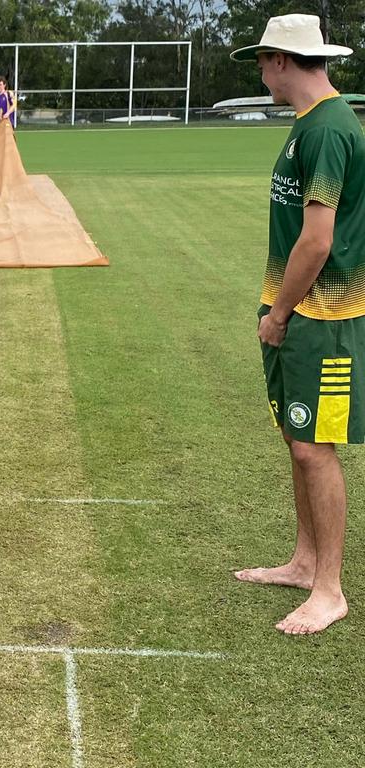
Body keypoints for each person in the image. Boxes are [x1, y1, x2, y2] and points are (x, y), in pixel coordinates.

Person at [230, 13, 363, 635]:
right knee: (295, 435)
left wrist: (280, 314)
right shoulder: (308, 125)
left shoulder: (330, 128)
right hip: (292, 307)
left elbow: (317, 240)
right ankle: (306, 562)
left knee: (315, 447)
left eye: (261, 61)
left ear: (282, 60)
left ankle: (330, 589)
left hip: (323, 313)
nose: (260, 72)